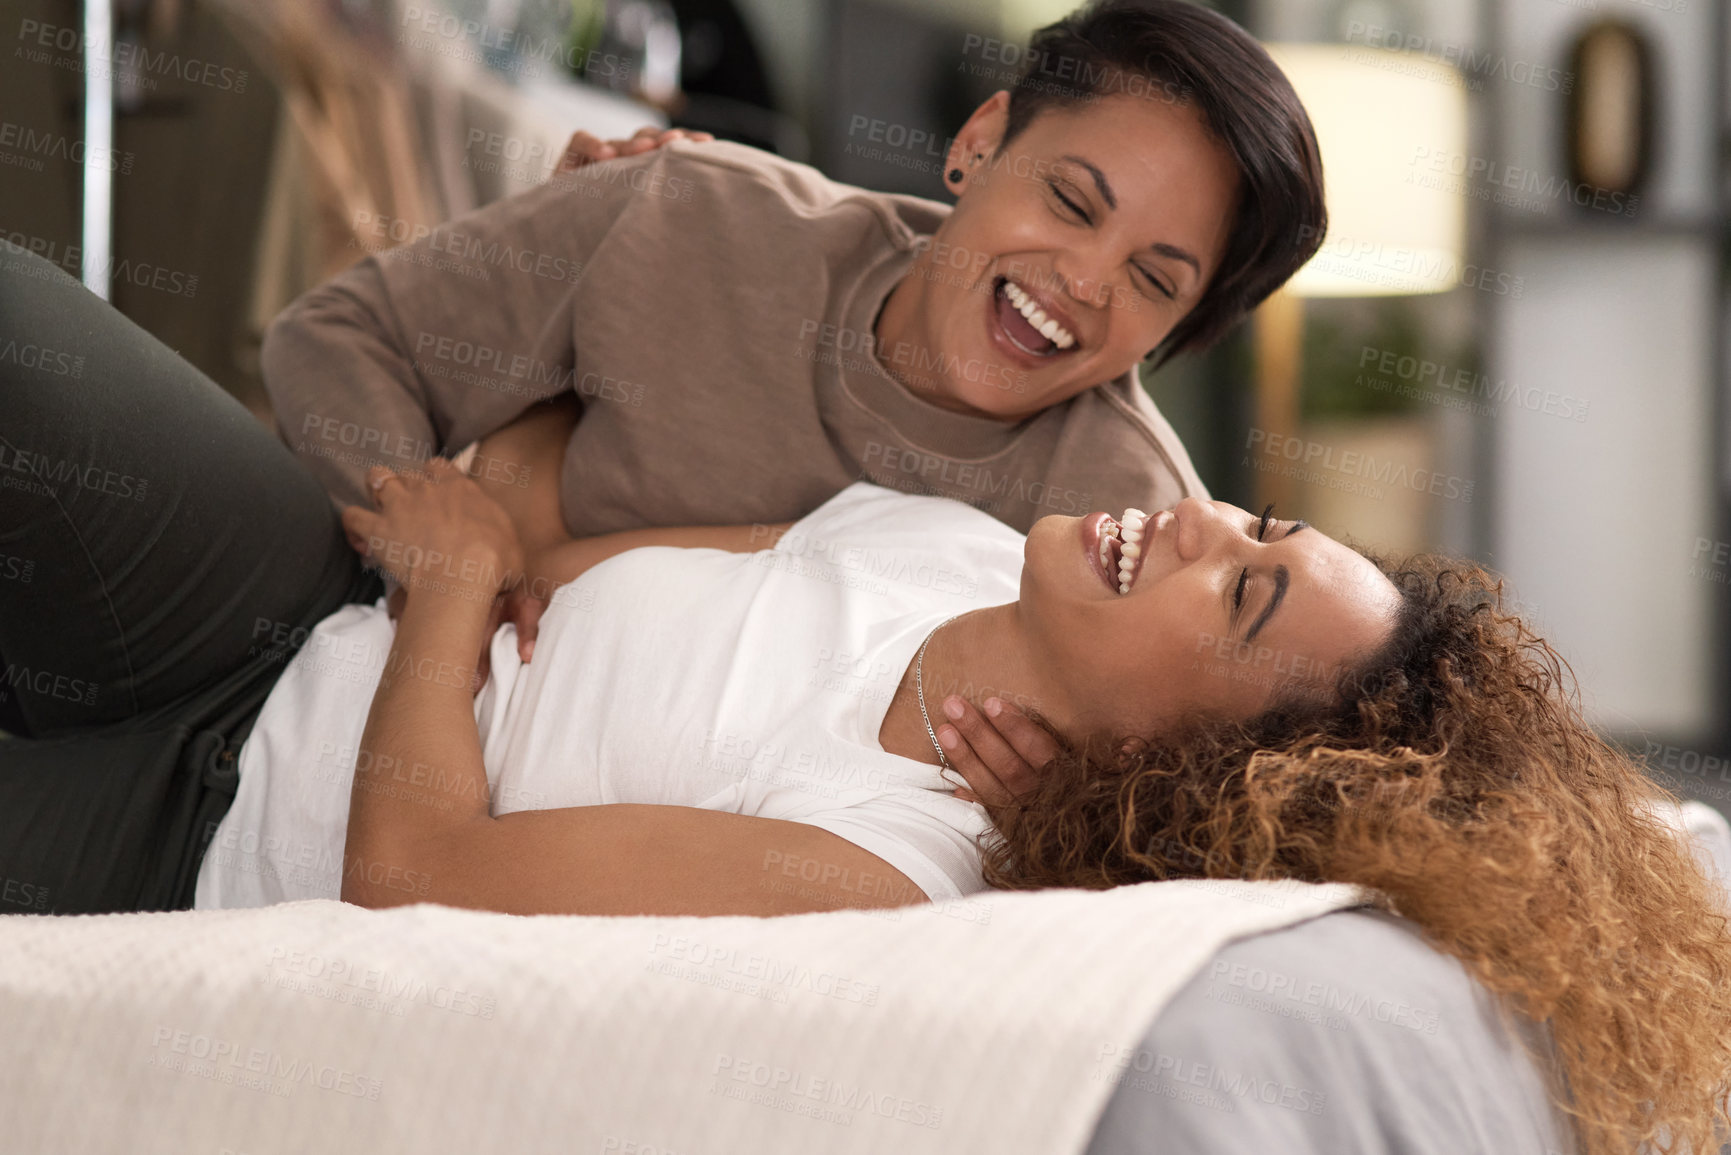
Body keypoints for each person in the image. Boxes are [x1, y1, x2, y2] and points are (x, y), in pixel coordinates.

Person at [2, 244, 1728, 1155]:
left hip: (203, 826)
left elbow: (411, 871)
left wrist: (458, 590)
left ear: (1199, 761)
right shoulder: (954, 546)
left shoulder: (888, 866)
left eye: (1239, 588)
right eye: (1256, 524)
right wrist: (471, 543)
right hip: (286, 612)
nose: (1196, 515)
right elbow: (564, 537)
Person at [259, 0, 1327, 781]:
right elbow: (343, 338)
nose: (1085, 283)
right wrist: (442, 558)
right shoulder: (689, 213)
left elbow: (1180, 789)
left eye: (1153, 280)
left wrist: (1057, 818)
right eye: (1070, 199)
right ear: (979, 143)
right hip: (334, 659)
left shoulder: (1122, 525)